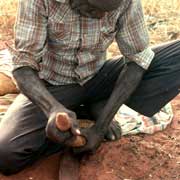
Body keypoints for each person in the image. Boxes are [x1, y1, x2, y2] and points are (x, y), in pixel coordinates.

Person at [0, 0, 180, 175]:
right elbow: (23, 67)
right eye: (94, 8)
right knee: (6, 154)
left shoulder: (127, 1)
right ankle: (83, 112)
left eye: (108, 10)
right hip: (52, 86)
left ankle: (96, 106)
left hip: (99, 76)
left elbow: (137, 59)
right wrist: (52, 109)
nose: (102, 16)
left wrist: (101, 126)